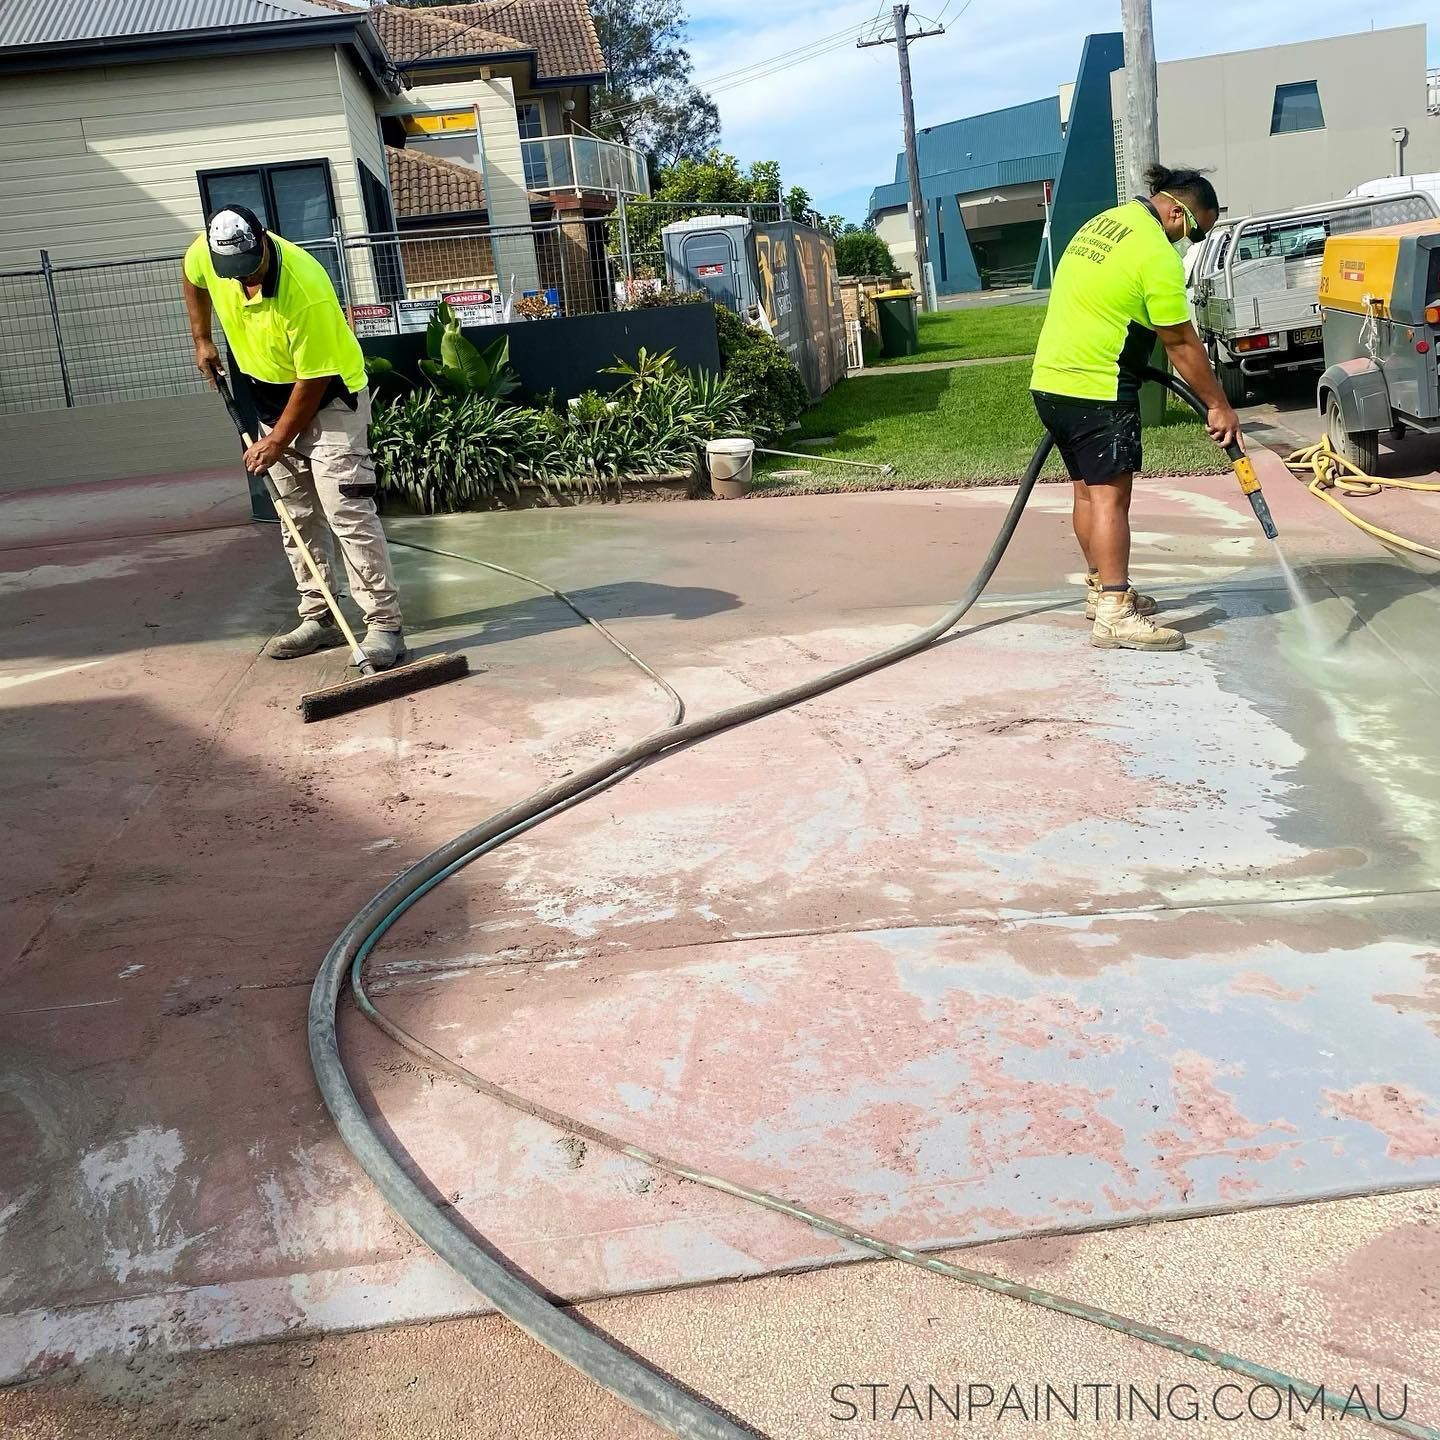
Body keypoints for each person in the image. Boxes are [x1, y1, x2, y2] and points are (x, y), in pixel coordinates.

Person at [182, 205, 406, 669]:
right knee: (296, 516)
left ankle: (384, 625)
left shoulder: (305, 287)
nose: (244, 278)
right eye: (234, 272)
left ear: (262, 240)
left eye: (250, 267)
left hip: (330, 400)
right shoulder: (211, 251)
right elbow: (193, 277)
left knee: (347, 509)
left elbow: (314, 381)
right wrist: (201, 337)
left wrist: (276, 443)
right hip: (267, 394)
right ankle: (319, 618)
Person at [1030, 165, 1242, 653]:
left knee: (1087, 494)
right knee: (1110, 500)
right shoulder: (1154, 252)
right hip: (1099, 387)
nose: (1188, 242)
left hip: (1052, 382)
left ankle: (1099, 591)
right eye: (1193, 230)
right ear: (1174, 209)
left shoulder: (1105, 223)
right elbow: (1181, 342)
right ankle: (1115, 613)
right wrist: (1219, 405)